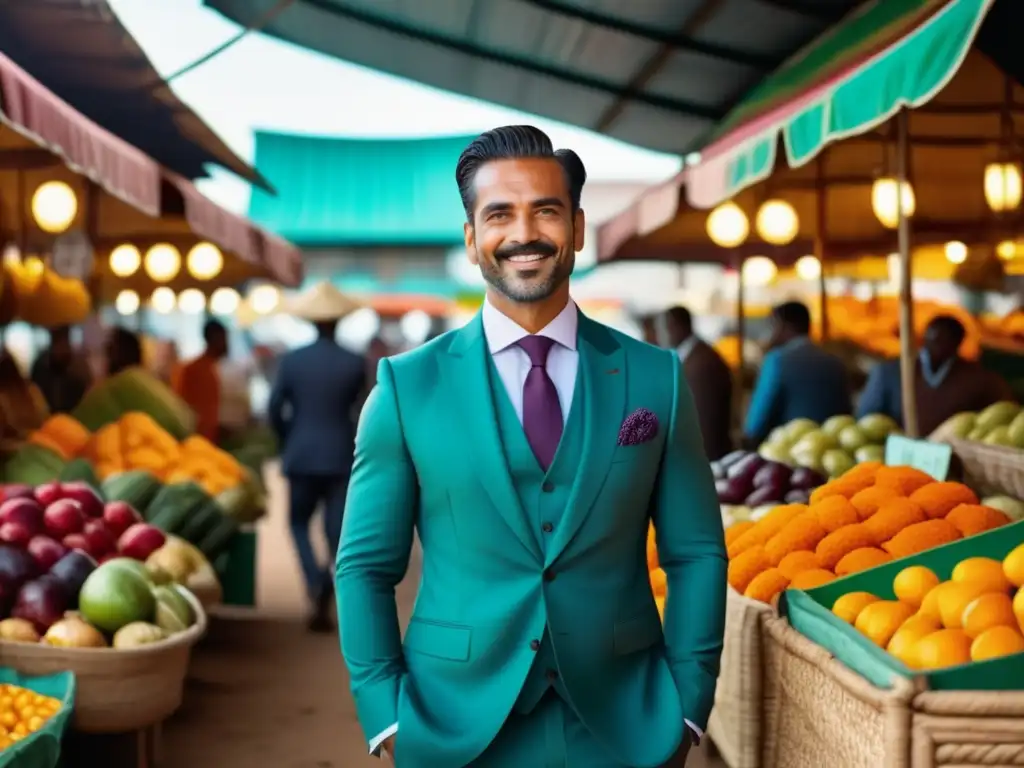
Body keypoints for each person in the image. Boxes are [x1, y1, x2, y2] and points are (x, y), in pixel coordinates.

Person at [338, 125, 725, 768]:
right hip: (454, 723)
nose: (524, 233)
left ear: (575, 227)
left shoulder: (657, 376)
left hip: (627, 721)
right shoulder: (406, 387)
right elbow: (365, 567)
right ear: (471, 239)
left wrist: (687, 703)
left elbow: (697, 553)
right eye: (499, 214)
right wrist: (385, 714)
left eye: (545, 210)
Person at [269, 282, 365, 632]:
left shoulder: (292, 361)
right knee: (335, 531)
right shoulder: (355, 362)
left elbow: (274, 408)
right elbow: (367, 412)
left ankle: (314, 577)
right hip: (342, 455)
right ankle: (326, 577)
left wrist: (287, 438)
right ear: (339, 322)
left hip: (301, 454)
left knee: (297, 523)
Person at [858, 314, 1015, 436]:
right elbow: (866, 419)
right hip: (895, 453)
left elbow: (1004, 416)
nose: (938, 344)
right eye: (934, 338)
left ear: (958, 343)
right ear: (924, 337)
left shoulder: (979, 380)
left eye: (945, 340)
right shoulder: (890, 372)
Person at [743, 301, 852, 446]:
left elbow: (755, 424)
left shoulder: (777, 360)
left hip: (790, 453)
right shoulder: (835, 363)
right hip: (833, 448)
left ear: (782, 326)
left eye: (771, 326)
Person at [664, 306, 733, 461]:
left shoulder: (701, 362)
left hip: (706, 457)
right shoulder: (693, 356)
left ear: (676, 326)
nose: (663, 335)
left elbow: (703, 421)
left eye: (665, 328)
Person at [173, 320, 229, 443]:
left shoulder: (212, 368)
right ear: (213, 339)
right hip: (194, 441)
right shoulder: (193, 369)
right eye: (224, 339)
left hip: (207, 440)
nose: (227, 344)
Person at [30, 326, 91, 413]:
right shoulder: (41, 365)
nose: (59, 348)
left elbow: (87, 393)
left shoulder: (79, 367)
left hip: (74, 417)